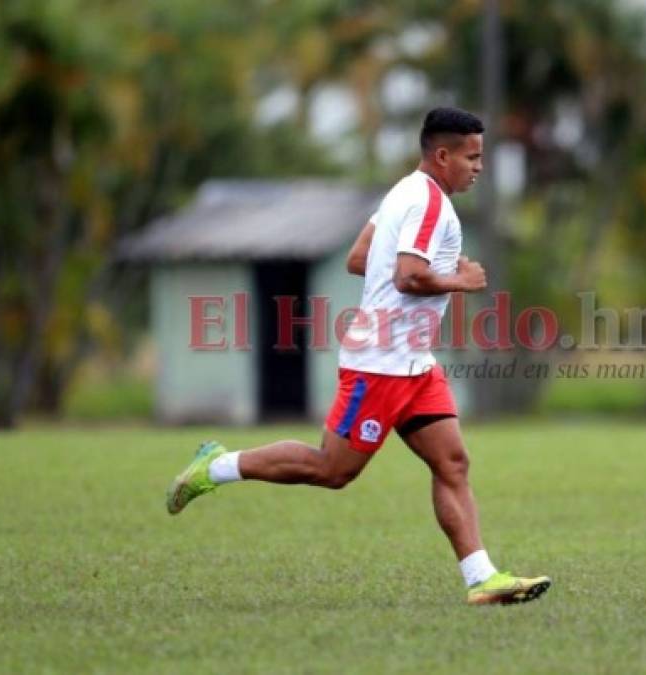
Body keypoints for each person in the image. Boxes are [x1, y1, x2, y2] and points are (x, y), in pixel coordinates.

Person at [165, 107, 551, 606]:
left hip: (414, 363)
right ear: (442, 155)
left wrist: (430, 269)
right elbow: (407, 276)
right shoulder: (429, 205)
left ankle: (482, 578)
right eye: (472, 157)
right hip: (380, 364)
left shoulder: (403, 192)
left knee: (452, 462)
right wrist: (460, 279)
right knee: (333, 469)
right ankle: (216, 466)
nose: (479, 167)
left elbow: (358, 259)